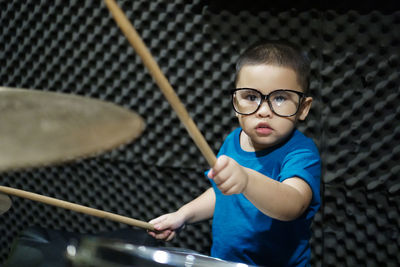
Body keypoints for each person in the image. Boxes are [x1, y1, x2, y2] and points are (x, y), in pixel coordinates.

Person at [148, 39, 321, 267]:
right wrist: (183, 215)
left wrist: (246, 179)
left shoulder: (301, 152)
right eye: (251, 97)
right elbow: (223, 192)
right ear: (235, 102)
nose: (264, 111)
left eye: (280, 98)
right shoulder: (233, 140)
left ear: (303, 107)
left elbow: (293, 204)